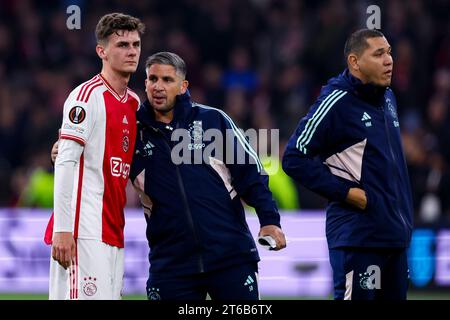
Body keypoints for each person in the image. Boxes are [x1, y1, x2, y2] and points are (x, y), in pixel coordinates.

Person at [129, 52, 286, 300]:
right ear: (145, 83)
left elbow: (251, 173)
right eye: (153, 79)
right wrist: (67, 151)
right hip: (171, 264)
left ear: (183, 86)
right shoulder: (131, 133)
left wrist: (269, 220)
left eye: (168, 80)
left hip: (230, 258)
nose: (158, 86)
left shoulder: (213, 120)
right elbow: (99, 161)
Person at [282, 29, 413, 300]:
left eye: (389, 52)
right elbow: (294, 158)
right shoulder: (336, 102)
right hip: (359, 239)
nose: (389, 60)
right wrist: (346, 193)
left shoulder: (388, 98)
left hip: (394, 238)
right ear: (354, 62)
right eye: (378, 54)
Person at [45, 13, 144, 300]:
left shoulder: (134, 103)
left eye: (136, 44)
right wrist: (64, 231)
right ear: (102, 51)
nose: (132, 51)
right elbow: (65, 163)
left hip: (114, 226)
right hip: (83, 229)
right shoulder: (85, 97)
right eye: (122, 45)